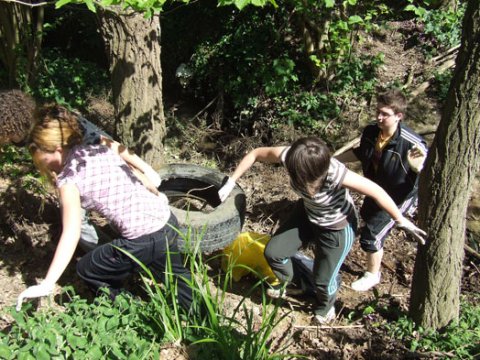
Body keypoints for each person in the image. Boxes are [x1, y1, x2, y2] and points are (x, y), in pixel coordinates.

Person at [217, 136, 426, 324]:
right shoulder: (290, 156)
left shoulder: (336, 173)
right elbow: (255, 153)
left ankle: (326, 308)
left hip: (336, 228)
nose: (307, 185)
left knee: (323, 280)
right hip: (307, 214)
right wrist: (231, 181)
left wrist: (400, 219)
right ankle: (297, 284)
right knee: (274, 253)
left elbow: (377, 191)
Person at [16, 104, 193, 311]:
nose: (44, 166)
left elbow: (71, 233)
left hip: (144, 238)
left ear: (56, 148)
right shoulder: (95, 146)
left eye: (43, 160)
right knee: (176, 275)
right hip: (167, 221)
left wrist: (47, 283)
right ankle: (202, 319)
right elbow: (128, 168)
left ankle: (134, 312)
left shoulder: (69, 181)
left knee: (88, 268)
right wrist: (152, 188)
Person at [0, 89, 161, 252]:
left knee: (86, 221)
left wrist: (142, 169)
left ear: (14, 124)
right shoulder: (23, 138)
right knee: (77, 221)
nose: (5, 140)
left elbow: (107, 143)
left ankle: (112, 258)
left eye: (5, 133)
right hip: (74, 179)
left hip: (99, 168)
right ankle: (107, 252)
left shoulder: (58, 122)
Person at [336, 89, 427, 292]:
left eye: (385, 114)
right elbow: (360, 153)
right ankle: (377, 243)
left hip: (400, 195)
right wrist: (334, 160)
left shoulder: (412, 143)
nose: (379, 117)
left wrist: (418, 168)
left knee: (371, 235)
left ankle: (372, 274)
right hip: (376, 187)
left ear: (399, 116)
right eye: (378, 111)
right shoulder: (371, 132)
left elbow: (429, 169)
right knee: (367, 215)